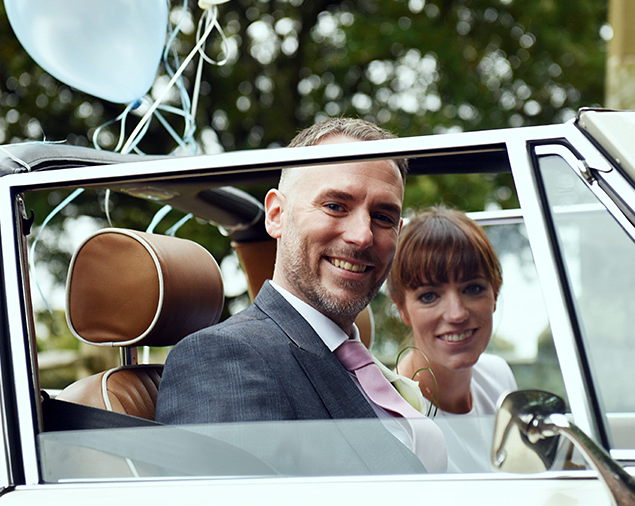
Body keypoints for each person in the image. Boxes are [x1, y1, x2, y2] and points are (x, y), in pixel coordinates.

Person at [155, 118, 446, 472]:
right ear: (276, 215)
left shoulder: (362, 364)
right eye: (335, 206)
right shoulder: (223, 358)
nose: (362, 236)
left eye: (383, 217)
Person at [388, 206, 516, 417]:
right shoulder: (395, 414)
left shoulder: (498, 378)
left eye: (473, 289)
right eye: (429, 296)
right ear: (402, 308)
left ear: (495, 291)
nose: (457, 314)